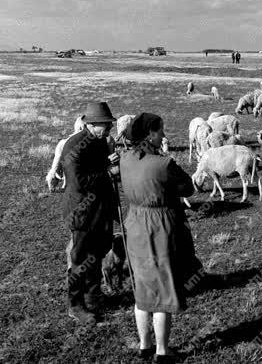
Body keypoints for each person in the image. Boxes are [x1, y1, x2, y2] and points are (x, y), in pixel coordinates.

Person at [120, 113, 201, 362]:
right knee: (164, 289)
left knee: (142, 287)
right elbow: (188, 187)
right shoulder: (163, 164)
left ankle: (145, 345)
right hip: (160, 227)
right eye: (160, 131)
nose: (164, 136)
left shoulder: (124, 159)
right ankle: (162, 352)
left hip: (133, 224)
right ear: (149, 134)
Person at [62, 101, 119, 326]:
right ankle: (75, 305)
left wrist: (109, 166)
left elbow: (101, 172)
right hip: (82, 212)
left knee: (98, 252)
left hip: (100, 210)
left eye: (109, 125)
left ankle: (93, 296)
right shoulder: (74, 147)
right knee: (79, 259)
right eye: (105, 125)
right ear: (91, 124)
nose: (109, 129)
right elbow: (80, 183)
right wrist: (106, 168)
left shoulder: (100, 142)